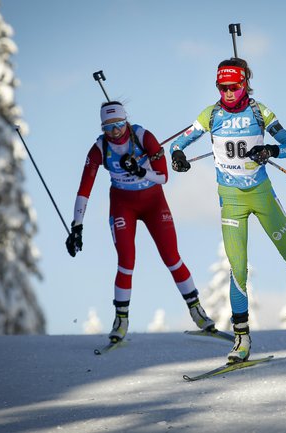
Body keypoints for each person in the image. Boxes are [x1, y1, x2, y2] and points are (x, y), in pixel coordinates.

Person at [169, 58, 286, 363]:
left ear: (245, 85)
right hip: (232, 201)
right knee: (237, 270)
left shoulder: (259, 112)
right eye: (222, 87)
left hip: (262, 196)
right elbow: (179, 144)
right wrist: (177, 157)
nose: (228, 92)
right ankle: (241, 338)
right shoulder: (210, 115)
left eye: (234, 86)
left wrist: (270, 150)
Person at [65, 101, 217, 344]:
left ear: (126, 121)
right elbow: (85, 188)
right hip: (123, 204)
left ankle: (196, 310)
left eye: (119, 125)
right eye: (108, 127)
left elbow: (164, 177)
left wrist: (140, 171)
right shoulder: (99, 148)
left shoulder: (144, 137)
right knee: (126, 261)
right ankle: (121, 319)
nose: (115, 132)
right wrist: (77, 225)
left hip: (153, 202)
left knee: (171, 256)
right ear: (102, 128)